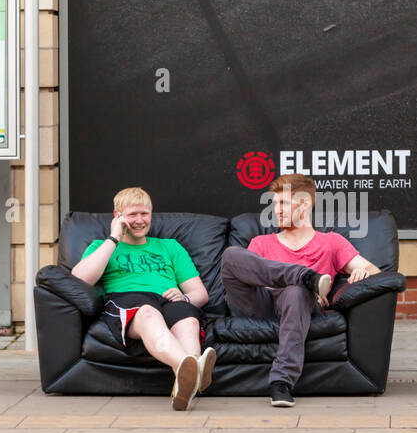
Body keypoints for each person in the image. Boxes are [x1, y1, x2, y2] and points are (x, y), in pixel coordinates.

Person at [221, 173, 380, 406]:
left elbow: (375, 271)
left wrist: (364, 272)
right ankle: (306, 277)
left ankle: (281, 383)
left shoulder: (331, 242)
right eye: (274, 204)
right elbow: (248, 277)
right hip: (260, 302)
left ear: (304, 204)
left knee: (296, 292)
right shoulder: (261, 243)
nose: (277, 211)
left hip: (299, 304)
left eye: (283, 203)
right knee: (231, 255)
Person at [70, 187, 216, 411]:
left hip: (169, 300)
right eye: (132, 215)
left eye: (144, 214)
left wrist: (185, 298)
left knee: (189, 320)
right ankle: (190, 368)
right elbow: (80, 279)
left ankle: (186, 381)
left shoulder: (169, 247)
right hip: (128, 299)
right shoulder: (102, 246)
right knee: (148, 313)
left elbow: (200, 294)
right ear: (117, 216)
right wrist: (113, 238)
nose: (139, 220)